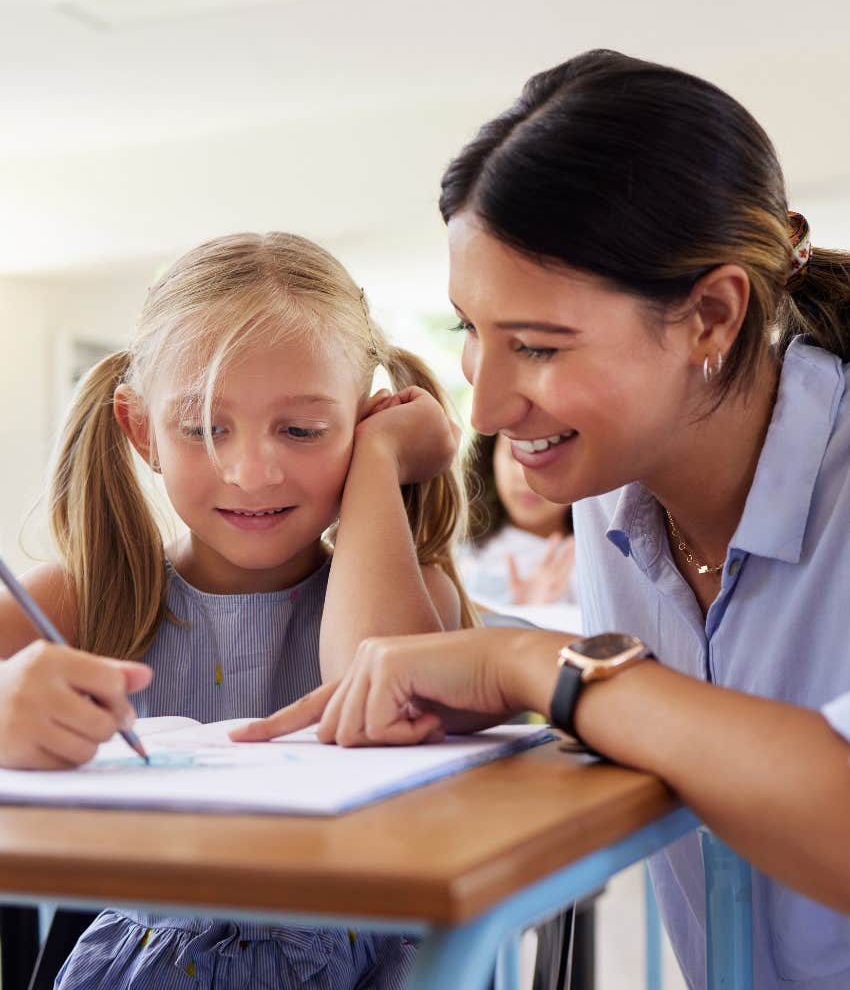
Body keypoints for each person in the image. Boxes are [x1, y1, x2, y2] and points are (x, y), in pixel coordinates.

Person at [233, 52, 850, 989]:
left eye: (536, 347)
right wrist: (377, 460)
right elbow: (384, 688)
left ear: (711, 318)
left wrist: (529, 666)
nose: (483, 409)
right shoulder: (614, 480)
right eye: (469, 334)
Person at [0, 231, 474, 989]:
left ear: (363, 420)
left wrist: (379, 464)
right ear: (141, 431)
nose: (251, 471)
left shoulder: (417, 595)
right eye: (204, 427)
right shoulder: (85, 598)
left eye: (303, 429)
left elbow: (376, 682)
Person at [460, 432, 578, 630]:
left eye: (547, 459)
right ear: (491, 457)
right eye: (514, 454)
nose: (525, 477)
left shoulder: (595, 562)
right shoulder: (455, 547)